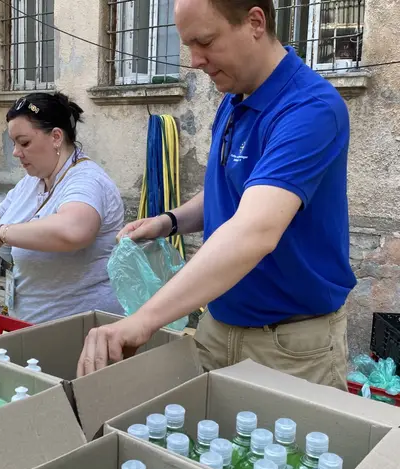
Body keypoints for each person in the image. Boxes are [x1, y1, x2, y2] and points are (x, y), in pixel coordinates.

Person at [76, 0, 357, 390]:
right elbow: (232, 194)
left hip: (289, 348)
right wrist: (169, 221)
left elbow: (253, 231)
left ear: (255, 22)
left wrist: (143, 320)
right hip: (218, 327)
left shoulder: (310, 109)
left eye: (205, 42)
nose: (194, 61)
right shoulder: (233, 100)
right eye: (188, 45)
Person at [0, 92, 124, 323]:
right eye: (14, 143)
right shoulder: (34, 179)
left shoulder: (86, 181)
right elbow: (0, 215)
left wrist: (2, 235)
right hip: (31, 322)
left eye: (24, 142)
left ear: (56, 137)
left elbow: (74, 229)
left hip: (79, 328)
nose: (16, 152)